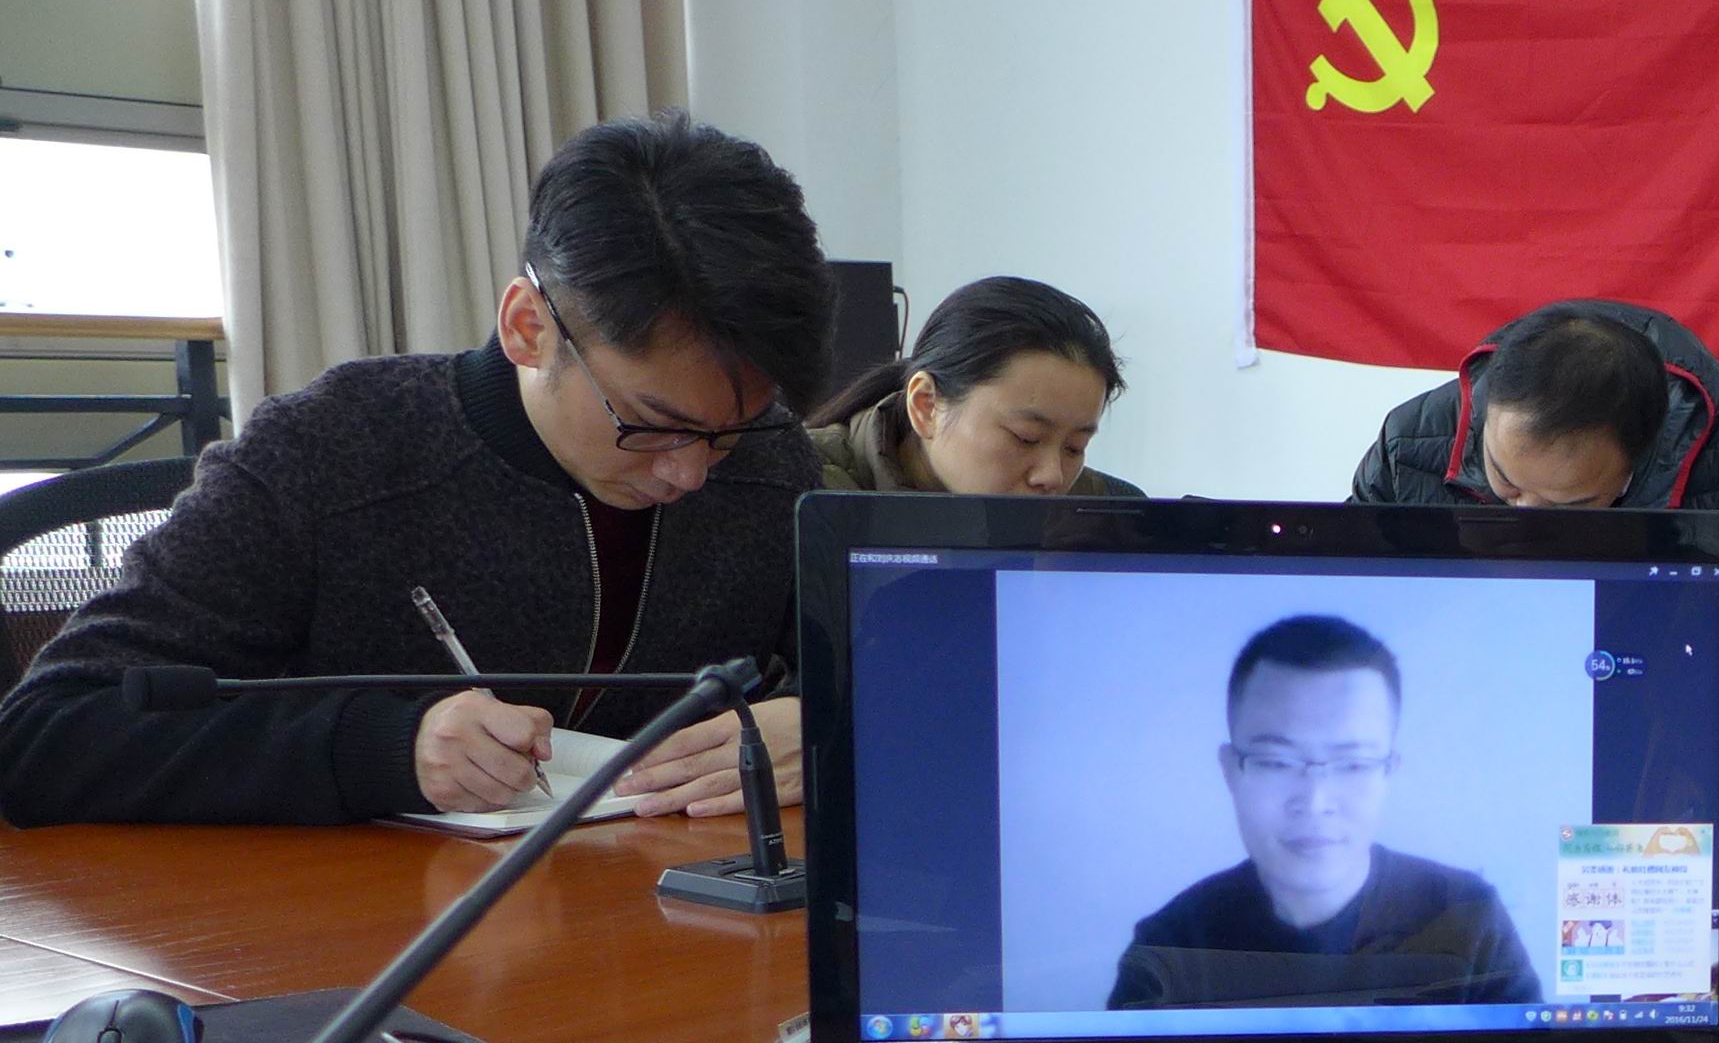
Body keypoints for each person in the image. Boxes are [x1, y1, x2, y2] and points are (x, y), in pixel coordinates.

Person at [0, 110, 830, 826]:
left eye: (727, 434)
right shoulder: (333, 450)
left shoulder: (770, 461)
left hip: (659, 918)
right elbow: (43, 734)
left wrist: (828, 723)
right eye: (650, 426)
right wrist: (383, 751)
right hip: (363, 931)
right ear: (528, 327)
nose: (691, 475)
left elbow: (881, 676)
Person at [1110, 614, 1536, 1010]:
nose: (1315, 801)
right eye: (1276, 762)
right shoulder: (1171, 948)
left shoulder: (1467, 919)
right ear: (1230, 772)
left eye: (1353, 764)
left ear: (1389, 773)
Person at [1348, 298, 1719, 622]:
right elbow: (1355, 597)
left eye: (1568, 505)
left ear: (1643, 455)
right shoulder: (1411, 440)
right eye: (1505, 482)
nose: (1527, 519)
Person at [810, 275, 1141, 499]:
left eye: (1074, 447)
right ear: (925, 406)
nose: (1052, 476)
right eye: (1026, 437)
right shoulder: (803, 490)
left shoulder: (1103, 514)